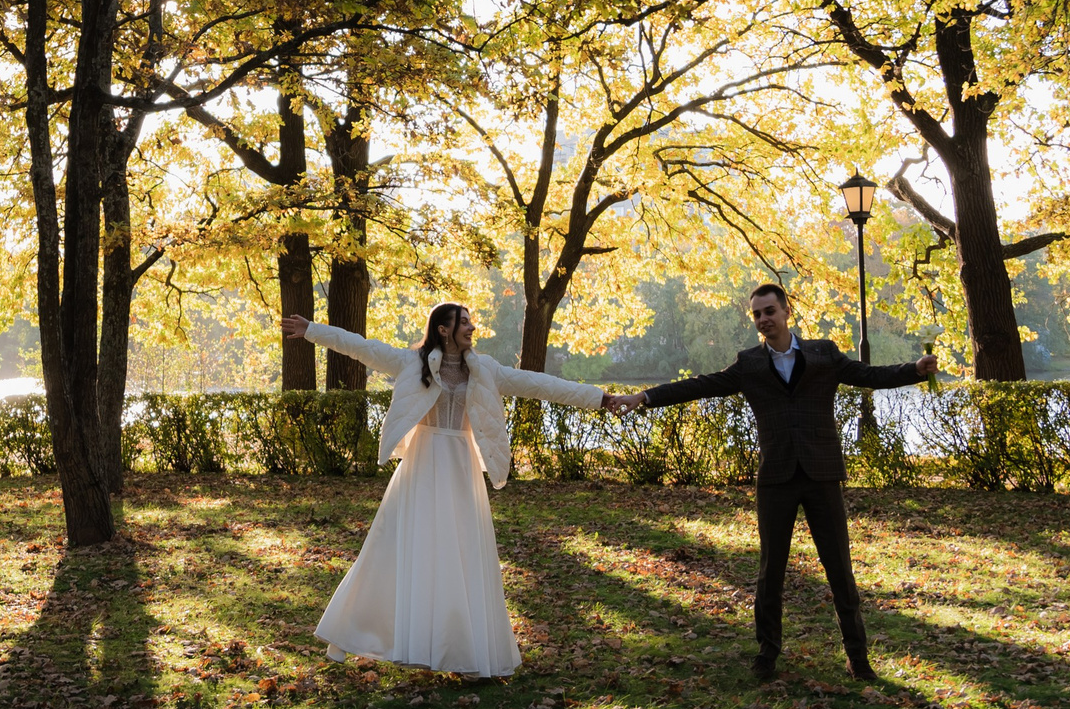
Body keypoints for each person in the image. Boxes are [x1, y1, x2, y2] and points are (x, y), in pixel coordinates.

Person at [604, 282, 936, 682]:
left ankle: (857, 656)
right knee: (770, 571)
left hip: (822, 476)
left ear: (786, 311)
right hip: (776, 478)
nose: (763, 320)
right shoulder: (749, 364)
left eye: (769, 311)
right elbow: (699, 385)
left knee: (839, 569)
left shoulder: (823, 353)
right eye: (757, 314)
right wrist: (643, 397)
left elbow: (868, 375)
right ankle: (767, 654)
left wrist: (914, 371)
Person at [281, 304, 609, 678]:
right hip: (421, 464)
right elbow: (361, 347)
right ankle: (347, 634)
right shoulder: (411, 362)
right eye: (464, 322)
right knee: (390, 549)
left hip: (461, 467)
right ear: (442, 329)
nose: (471, 327)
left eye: (469, 321)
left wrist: (599, 399)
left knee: (461, 552)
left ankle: (462, 651)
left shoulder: (484, 370)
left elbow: (538, 384)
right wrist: (311, 330)